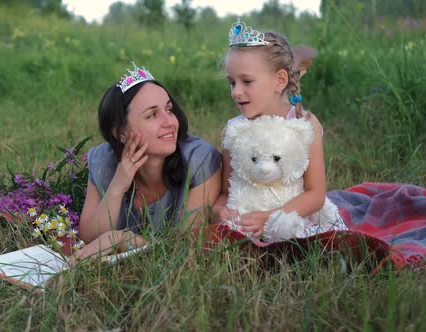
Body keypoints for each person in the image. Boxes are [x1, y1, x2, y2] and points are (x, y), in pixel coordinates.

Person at [72, 62, 222, 262]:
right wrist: (117, 185)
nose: (170, 122)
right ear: (121, 133)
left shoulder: (199, 160)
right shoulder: (103, 161)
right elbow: (89, 240)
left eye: (169, 109)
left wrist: (124, 239)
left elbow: (186, 248)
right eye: (152, 115)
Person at [212, 19, 340, 238]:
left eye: (247, 81)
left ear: (280, 80)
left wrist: (270, 217)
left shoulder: (303, 124)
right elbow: (226, 192)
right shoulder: (235, 130)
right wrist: (219, 210)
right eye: (232, 83)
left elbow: (315, 194)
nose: (236, 92)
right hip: (247, 221)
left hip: (292, 218)